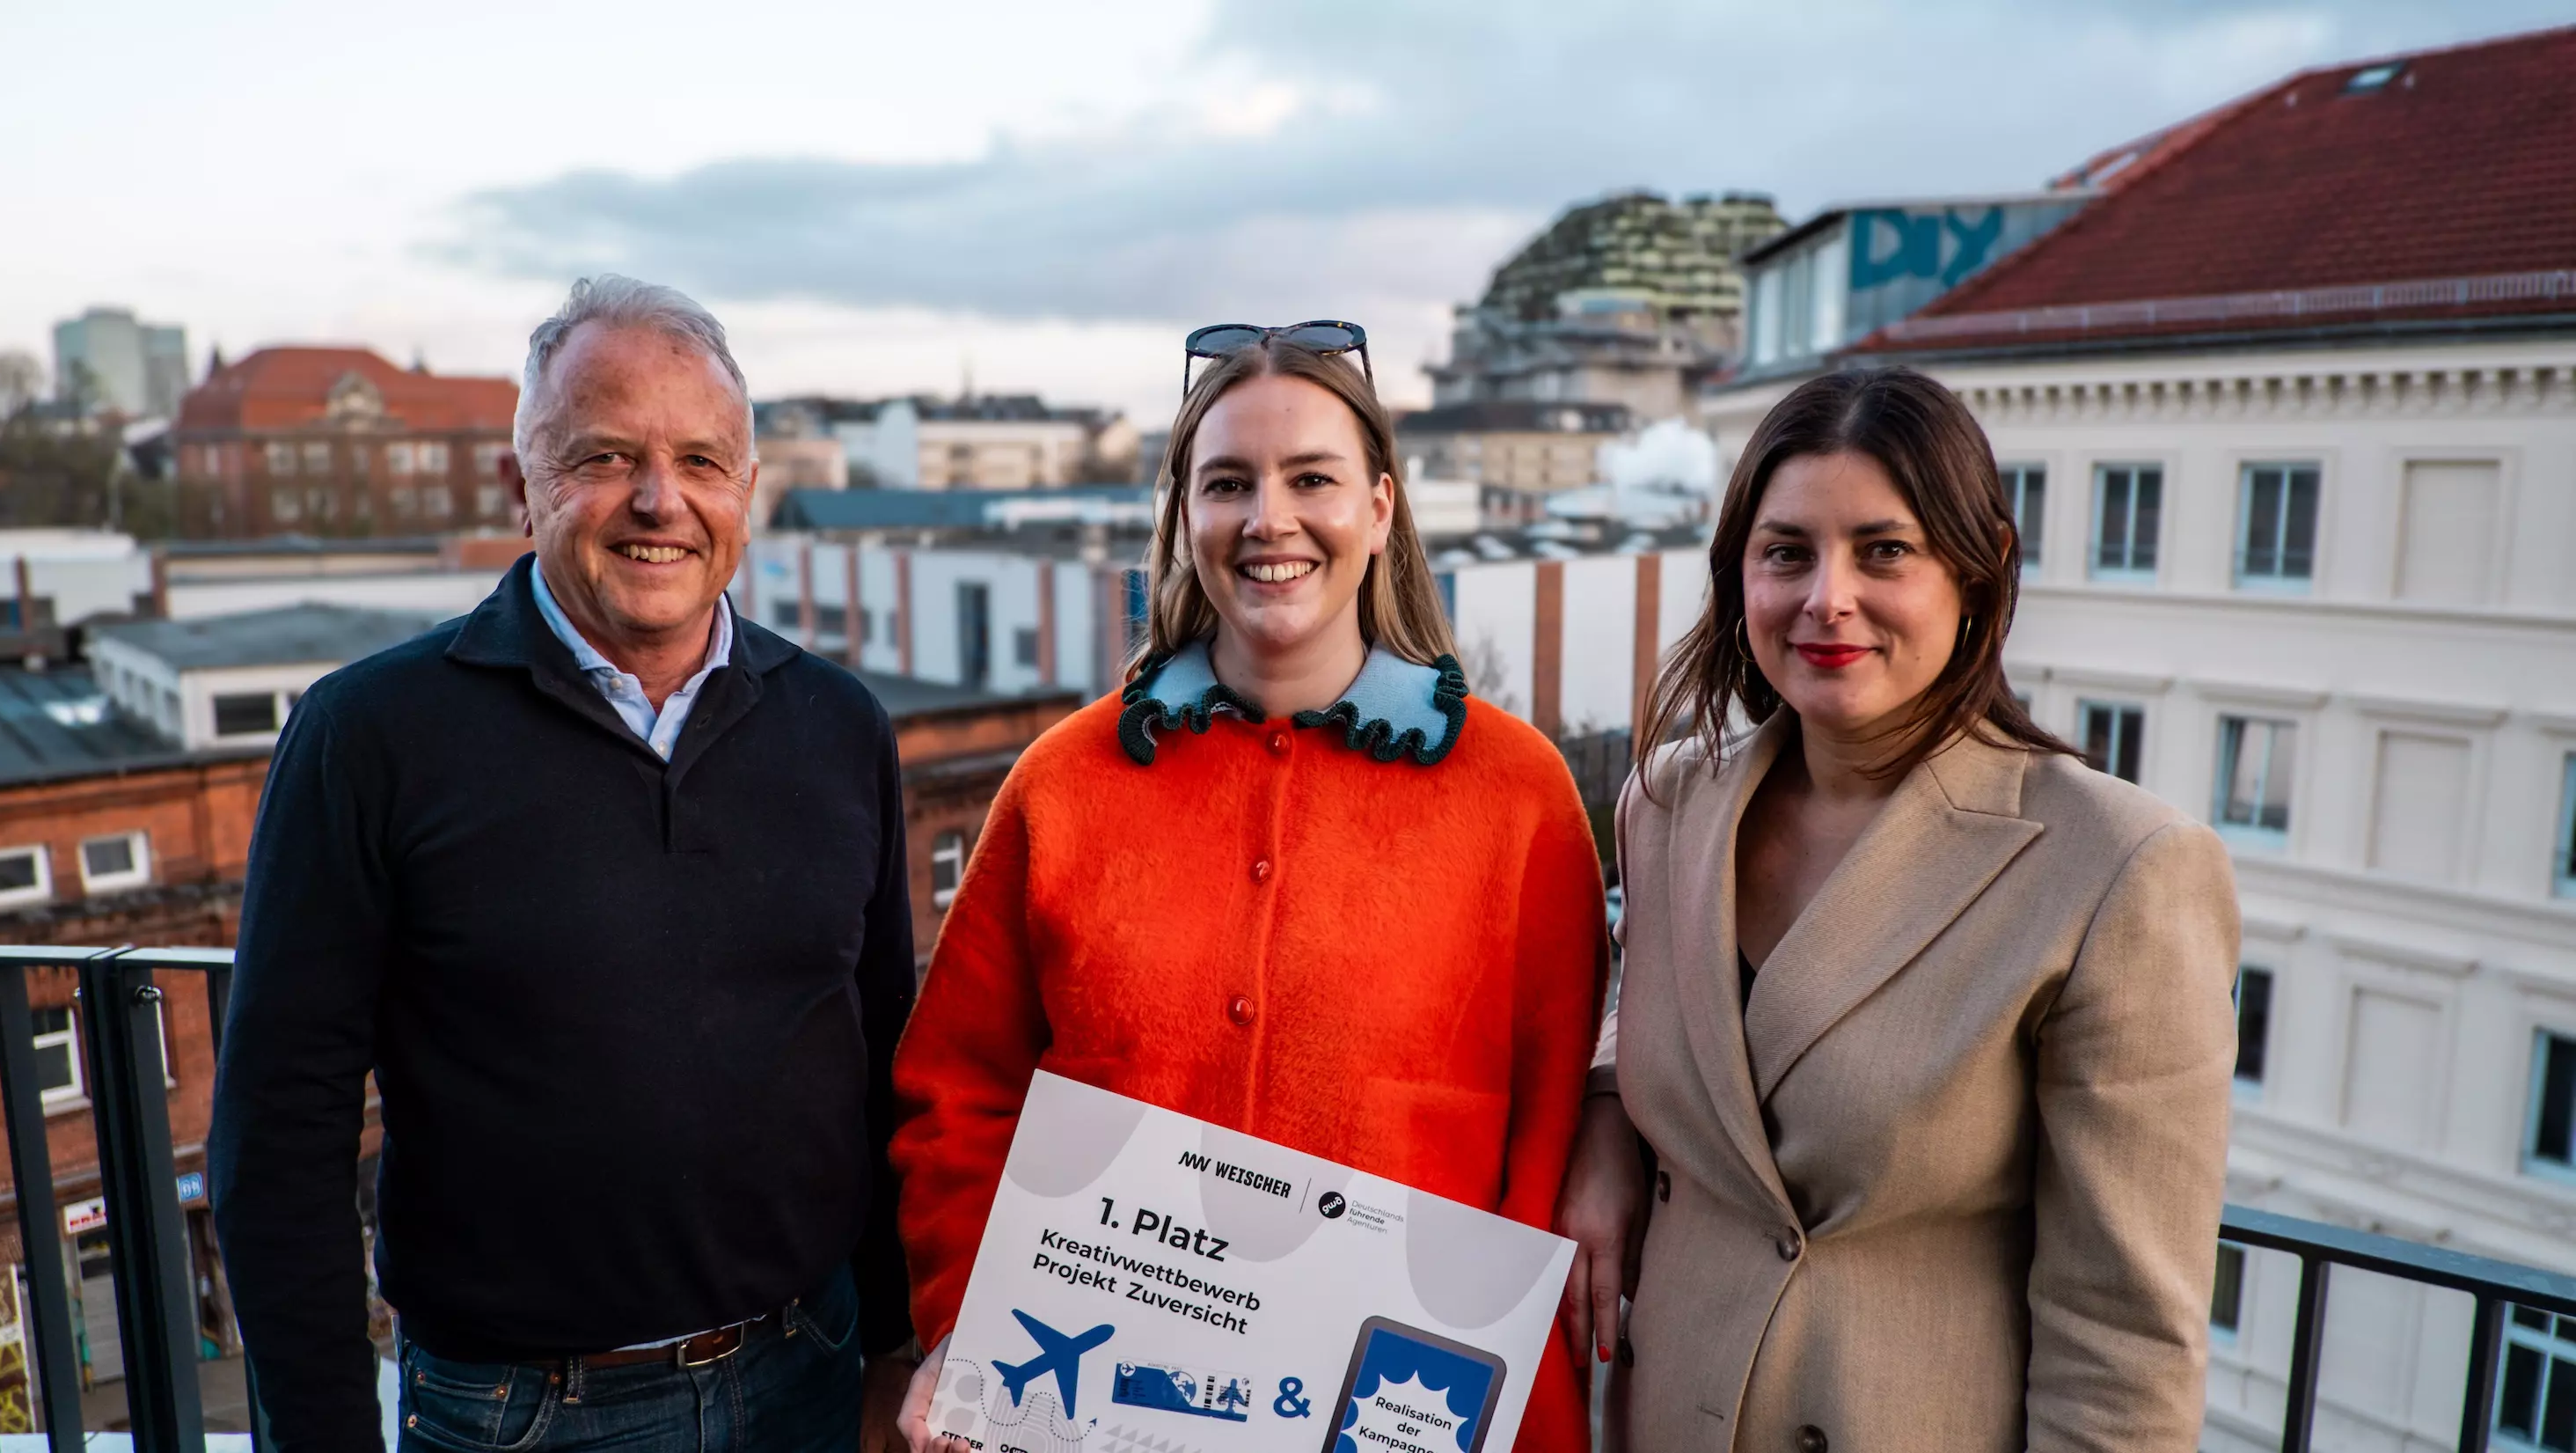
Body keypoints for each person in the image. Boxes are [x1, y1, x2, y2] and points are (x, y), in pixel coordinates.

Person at [209, 275, 918, 1453]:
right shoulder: (369, 735)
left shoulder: (839, 724)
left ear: (749, 493)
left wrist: (892, 1344)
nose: (659, 500)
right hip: (519, 1413)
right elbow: (279, 1133)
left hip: (809, 1373)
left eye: (701, 460)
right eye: (603, 456)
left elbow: (883, 1054)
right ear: (522, 484)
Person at [889, 324, 1607, 1452]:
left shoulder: (1518, 795)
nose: (1270, 518)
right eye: (1229, 483)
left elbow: (1555, 1136)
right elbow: (958, 1096)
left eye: (1310, 478)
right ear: (1186, 517)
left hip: (1406, 1411)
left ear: (1378, 510)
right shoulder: (1064, 782)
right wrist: (967, 1329)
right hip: (1094, 1411)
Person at [1555, 367, 2240, 1453]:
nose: (1828, 597)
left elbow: (2126, 1340)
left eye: (1885, 551)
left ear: (1978, 573)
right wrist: (1602, 1118)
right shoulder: (1671, 799)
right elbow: (1636, 997)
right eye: (1788, 552)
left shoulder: (2119, 868)